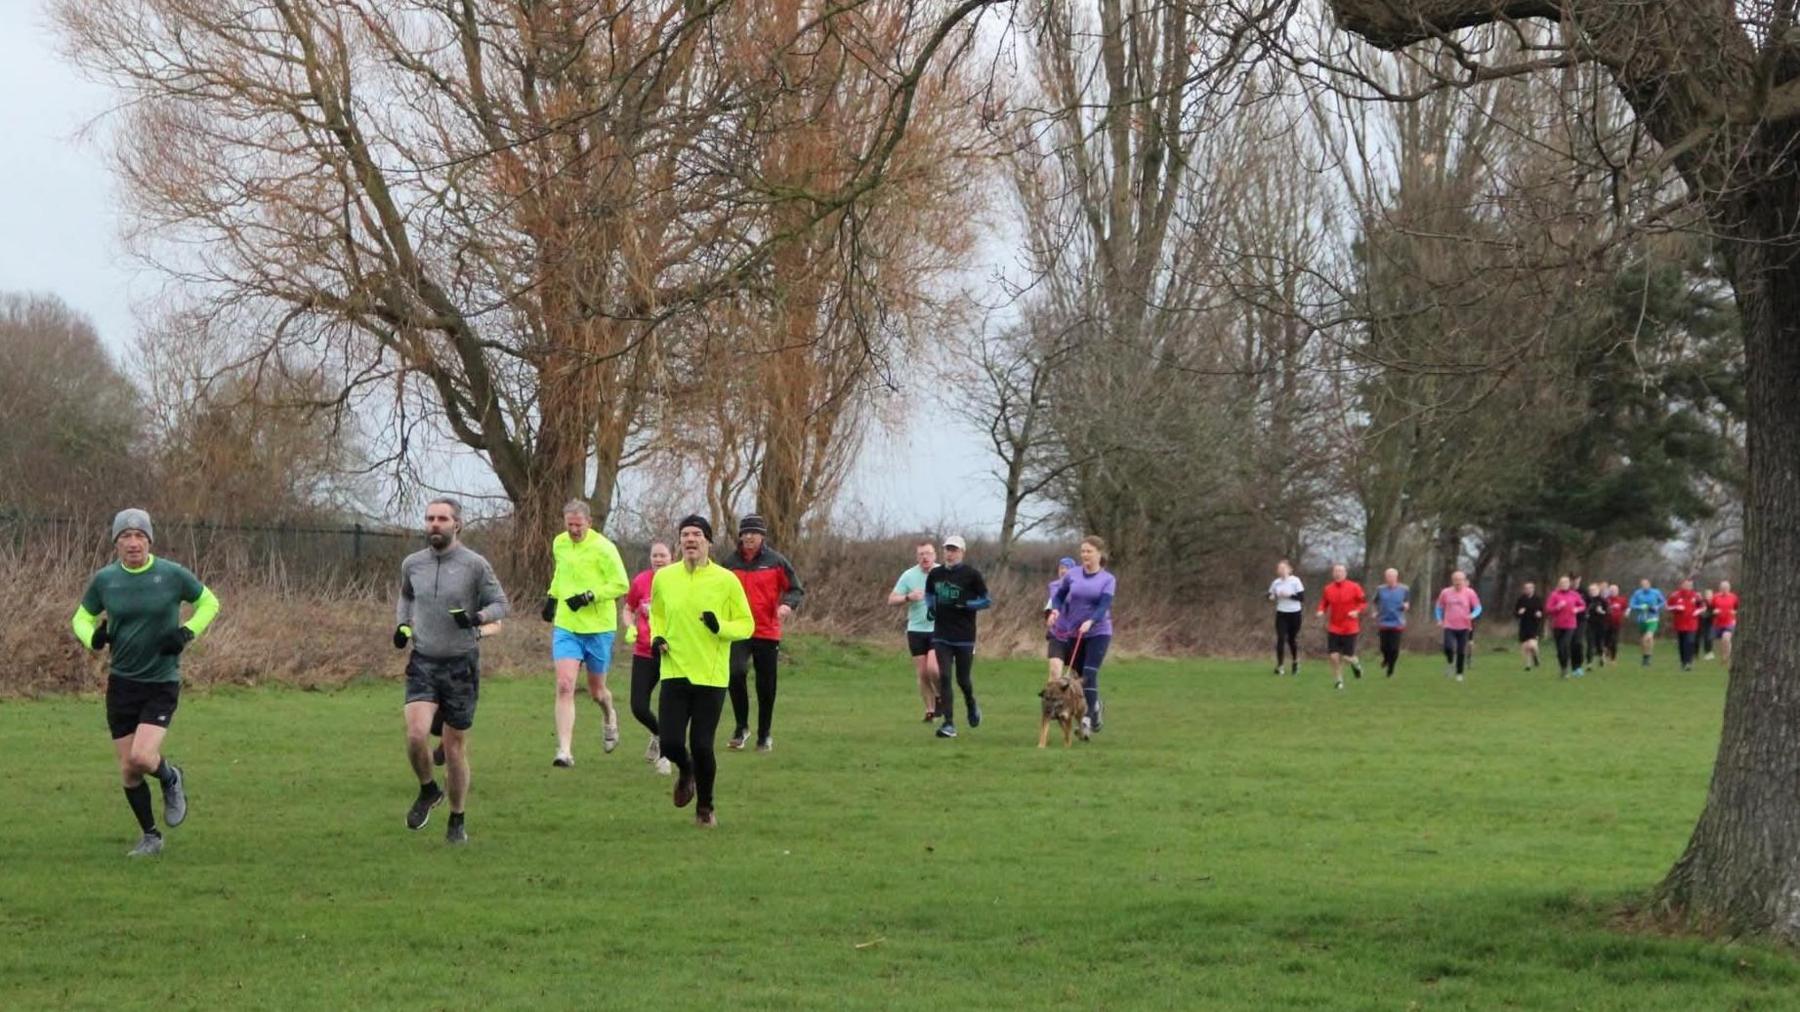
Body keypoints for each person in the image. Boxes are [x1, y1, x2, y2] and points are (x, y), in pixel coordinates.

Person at [70, 509, 221, 857]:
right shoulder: (105, 580)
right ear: (116, 543)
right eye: (125, 537)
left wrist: (186, 633)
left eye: (140, 536)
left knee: (141, 756)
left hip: (161, 681)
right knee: (128, 770)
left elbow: (210, 603)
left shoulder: (170, 574)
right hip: (122, 684)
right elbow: (80, 617)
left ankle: (170, 777)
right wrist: (92, 637)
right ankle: (151, 836)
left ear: (149, 540)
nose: (133, 543)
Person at [395, 497, 509, 844]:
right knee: (416, 735)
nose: (434, 524)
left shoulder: (475, 565)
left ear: (456, 524)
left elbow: (501, 603)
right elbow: (406, 596)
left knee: (454, 747)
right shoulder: (413, 564)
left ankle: (457, 819)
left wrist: (479, 618)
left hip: (461, 665)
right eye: (429, 518)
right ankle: (429, 790)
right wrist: (402, 625)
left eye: (442, 518)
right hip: (423, 660)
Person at [651, 514, 753, 827]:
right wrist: (657, 636)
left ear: (708, 541)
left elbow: (746, 625)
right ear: (679, 542)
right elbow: (656, 614)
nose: (690, 540)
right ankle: (686, 770)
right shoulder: (664, 578)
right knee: (669, 743)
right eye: (685, 535)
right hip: (674, 671)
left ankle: (705, 807)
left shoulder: (726, 580)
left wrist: (719, 626)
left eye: (697, 534)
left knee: (702, 745)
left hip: (710, 676)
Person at [541, 499, 630, 768]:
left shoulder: (604, 548)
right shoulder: (560, 543)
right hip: (567, 626)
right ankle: (565, 751)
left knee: (596, 691)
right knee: (565, 684)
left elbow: (620, 583)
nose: (574, 531)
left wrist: (591, 596)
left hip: (599, 628)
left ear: (589, 523)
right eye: (570, 526)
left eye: (579, 526)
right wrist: (552, 597)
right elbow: (561, 573)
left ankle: (609, 716)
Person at [721, 514, 805, 753]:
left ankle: (764, 733)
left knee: (765, 684)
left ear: (762, 536)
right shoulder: (730, 563)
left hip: (767, 629)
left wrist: (787, 604)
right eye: (745, 533)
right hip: (738, 629)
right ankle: (741, 727)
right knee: (735, 673)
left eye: (753, 533)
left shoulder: (776, 561)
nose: (748, 537)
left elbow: (796, 589)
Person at [1047, 536, 1117, 733]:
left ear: (1099, 554)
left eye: (1089, 551)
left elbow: (1104, 606)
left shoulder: (1108, 579)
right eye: (1083, 551)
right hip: (1074, 632)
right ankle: (1096, 707)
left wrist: (1092, 621)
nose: (1085, 555)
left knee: (1089, 673)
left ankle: (1086, 719)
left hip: (1099, 632)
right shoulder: (1073, 574)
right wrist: (1055, 611)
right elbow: (1059, 596)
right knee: (1079, 678)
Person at [925, 535, 991, 737]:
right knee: (944, 676)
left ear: (962, 552)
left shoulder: (972, 575)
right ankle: (949, 723)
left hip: (964, 636)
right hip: (941, 633)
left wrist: (967, 605)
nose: (949, 554)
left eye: (954, 550)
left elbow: (986, 601)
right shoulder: (935, 574)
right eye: (947, 549)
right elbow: (929, 594)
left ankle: (971, 704)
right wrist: (931, 608)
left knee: (963, 680)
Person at [622, 541, 674, 774]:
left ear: (672, 557)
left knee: (668, 705)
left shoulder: (678, 582)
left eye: (663, 555)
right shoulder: (641, 581)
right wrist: (629, 626)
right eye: (655, 555)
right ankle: (658, 733)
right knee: (638, 707)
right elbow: (628, 608)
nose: (658, 559)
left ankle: (666, 756)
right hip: (644, 651)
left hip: (671, 654)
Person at [888, 540, 941, 722]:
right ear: (917, 557)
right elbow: (891, 599)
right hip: (916, 629)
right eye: (921, 554)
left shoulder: (943, 574)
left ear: (935, 555)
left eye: (928, 553)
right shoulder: (909, 575)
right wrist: (908, 597)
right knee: (922, 673)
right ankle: (930, 710)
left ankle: (942, 697)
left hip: (938, 628)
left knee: (933, 669)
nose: (925, 557)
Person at [1316, 564, 1366, 690]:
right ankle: (1339, 680)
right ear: (1333, 574)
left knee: (1347, 657)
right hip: (1334, 627)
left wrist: (1357, 611)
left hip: (1350, 627)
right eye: (1336, 571)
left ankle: (1356, 664)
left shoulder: (1354, 587)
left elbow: (1363, 602)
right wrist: (1321, 610)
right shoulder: (1328, 588)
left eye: (1340, 571)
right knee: (1333, 656)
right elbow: (1324, 602)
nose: (1338, 574)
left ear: (1345, 573)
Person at [1435, 571, 1482, 681]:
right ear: (1452, 581)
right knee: (1448, 647)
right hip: (1449, 625)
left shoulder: (1470, 593)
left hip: (1464, 626)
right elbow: (1438, 607)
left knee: (1461, 650)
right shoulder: (1445, 592)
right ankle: (1450, 662)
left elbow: (1478, 607)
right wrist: (1439, 619)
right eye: (1456, 580)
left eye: (1460, 580)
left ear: (1464, 581)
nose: (1458, 582)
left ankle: (1459, 673)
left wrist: (1473, 615)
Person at [1545, 576, 1588, 678]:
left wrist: (1577, 609)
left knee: (1565, 645)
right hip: (1557, 625)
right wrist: (1557, 607)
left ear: (1569, 584)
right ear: (1559, 584)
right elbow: (1548, 609)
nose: (1565, 584)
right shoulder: (1554, 595)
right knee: (1560, 649)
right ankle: (1563, 668)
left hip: (1570, 625)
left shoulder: (1574, 594)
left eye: (1566, 583)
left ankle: (1567, 668)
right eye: (1562, 583)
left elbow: (1583, 605)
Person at [1268, 559, 1305, 676]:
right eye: (1279, 568)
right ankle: (1280, 666)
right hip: (1281, 613)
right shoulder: (1276, 583)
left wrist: (1289, 595)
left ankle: (1295, 662)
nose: (1281, 570)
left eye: (1284, 568)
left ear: (1289, 569)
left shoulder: (1295, 581)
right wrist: (1271, 597)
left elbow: (1301, 597)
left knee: (1291, 640)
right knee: (1280, 638)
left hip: (1295, 614)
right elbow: (1270, 594)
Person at [1372, 568, 1409, 677]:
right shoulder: (1380, 589)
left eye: (1392, 576)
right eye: (1388, 576)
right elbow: (1374, 602)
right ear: (1385, 578)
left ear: (1396, 577)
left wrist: (1406, 606)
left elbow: (1407, 602)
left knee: (1394, 648)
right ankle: (1386, 659)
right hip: (1384, 621)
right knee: (1384, 647)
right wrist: (1375, 612)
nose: (1390, 579)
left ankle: (1391, 669)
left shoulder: (1404, 589)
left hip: (1397, 621)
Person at [1045, 555, 1077, 679]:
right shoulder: (1054, 587)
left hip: (1076, 636)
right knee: (1054, 671)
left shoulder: (1080, 588)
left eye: (1067, 568)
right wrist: (1049, 617)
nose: (1063, 571)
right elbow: (1050, 607)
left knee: (1075, 676)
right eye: (1061, 568)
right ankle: (1051, 698)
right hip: (1057, 634)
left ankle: (1078, 697)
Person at [1667, 577, 1704, 672]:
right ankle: (1683, 662)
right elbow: (1668, 607)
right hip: (1680, 623)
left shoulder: (1696, 596)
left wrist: (1697, 611)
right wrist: (1676, 607)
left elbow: (1703, 607)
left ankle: (1689, 662)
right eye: (1686, 585)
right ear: (1682, 585)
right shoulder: (1675, 595)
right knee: (1682, 643)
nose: (1688, 587)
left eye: (1690, 585)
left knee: (1690, 641)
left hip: (1692, 623)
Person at [1628, 578, 1666, 667]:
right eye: (1642, 585)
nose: (1644, 586)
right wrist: (1639, 607)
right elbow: (1631, 604)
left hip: (1653, 618)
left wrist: (1657, 607)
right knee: (1643, 640)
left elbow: (1663, 602)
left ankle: (1648, 656)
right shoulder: (1637, 593)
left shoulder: (1656, 592)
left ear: (1649, 584)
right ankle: (1645, 656)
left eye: (1646, 584)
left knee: (1648, 637)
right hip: (1642, 619)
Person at [1513, 581, 1544, 671]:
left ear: (1533, 589)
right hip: (1524, 625)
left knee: (1532, 645)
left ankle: (1536, 657)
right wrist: (1519, 613)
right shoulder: (1521, 599)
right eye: (1526, 588)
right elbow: (1515, 613)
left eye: (1529, 588)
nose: (1527, 590)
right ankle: (1528, 665)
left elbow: (1542, 611)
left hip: (1534, 625)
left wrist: (1539, 614)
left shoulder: (1537, 599)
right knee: (1525, 646)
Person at [1711, 580, 1740, 666]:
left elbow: (1738, 608)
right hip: (1718, 623)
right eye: (1722, 588)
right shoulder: (1715, 597)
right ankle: (1724, 655)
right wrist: (1714, 611)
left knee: (1726, 638)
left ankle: (1727, 657)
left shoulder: (1734, 597)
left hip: (1729, 621)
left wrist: (1735, 612)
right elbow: (1710, 609)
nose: (1724, 589)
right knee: (1720, 642)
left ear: (1729, 588)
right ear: (1720, 588)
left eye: (1726, 588)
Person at [1583, 581, 1610, 668]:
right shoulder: (1586, 600)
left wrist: (1602, 611)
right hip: (1590, 625)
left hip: (1601, 625)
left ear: (1598, 590)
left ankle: (1602, 656)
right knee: (1590, 643)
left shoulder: (1603, 601)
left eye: (1594, 590)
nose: (1592, 591)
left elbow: (1608, 613)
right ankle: (1589, 663)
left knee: (1599, 644)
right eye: (1590, 590)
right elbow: (1583, 610)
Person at [1604, 584, 1627, 663]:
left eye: (1615, 590)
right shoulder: (1606, 600)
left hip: (1617, 623)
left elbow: (1626, 609)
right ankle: (1606, 653)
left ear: (1618, 591)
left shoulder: (1622, 600)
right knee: (1606, 640)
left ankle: (1613, 659)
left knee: (1614, 640)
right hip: (1606, 623)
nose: (1613, 592)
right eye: (1611, 590)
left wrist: (1625, 614)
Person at [1698, 587, 1717, 660]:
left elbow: (1716, 611)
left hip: (1713, 622)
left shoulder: (1714, 602)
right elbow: (1703, 613)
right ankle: (1708, 652)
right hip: (1705, 622)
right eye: (1707, 594)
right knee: (1706, 637)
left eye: (1710, 594)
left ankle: (1710, 652)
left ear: (1712, 595)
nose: (1708, 596)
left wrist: (1713, 613)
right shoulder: (1703, 602)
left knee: (1709, 637)